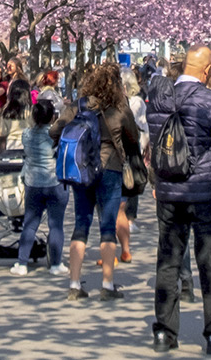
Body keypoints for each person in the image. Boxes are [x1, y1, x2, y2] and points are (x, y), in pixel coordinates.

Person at [149, 42, 211, 354]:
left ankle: (164, 332)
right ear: (208, 70)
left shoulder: (158, 99)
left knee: (168, 261)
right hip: (204, 191)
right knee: (210, 262)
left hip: (168, 191)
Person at [65, 61, 144, 299]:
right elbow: (133, 139)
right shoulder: (120, 110)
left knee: (81, 224)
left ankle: (74, 284)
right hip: (110, 168)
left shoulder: (76, 108)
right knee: (107, 226)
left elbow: (55, 131)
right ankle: (107, 285)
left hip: (81, 170)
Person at [15, 96, 68, 276]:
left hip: (33, 182)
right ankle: (55, 264)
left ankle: (22, 263)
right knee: (56, 225)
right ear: (52, 116)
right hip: (54, 182)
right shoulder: (56, 135)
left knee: (30, 224)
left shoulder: (26, 134)